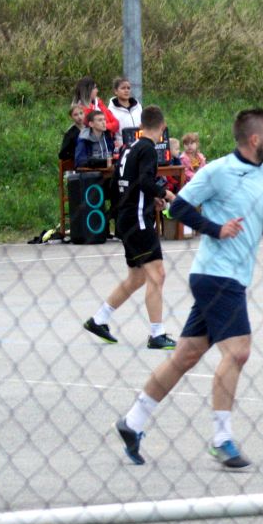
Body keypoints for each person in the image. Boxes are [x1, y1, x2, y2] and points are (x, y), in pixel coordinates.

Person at [113, 108, 263, 470]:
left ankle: (132, 421)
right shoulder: (218, 171)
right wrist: (216, 229)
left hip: (235, 276)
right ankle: (222, 439)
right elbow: (178, 208)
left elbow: (256, 226)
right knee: (238, 352)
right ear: (254, 139)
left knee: (185, 356)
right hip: (214, 274)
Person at [83, 105, 179, 349]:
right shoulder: (148, 149)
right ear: (163, 126)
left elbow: (119, 183)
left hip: (126, 217)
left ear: (141, 125)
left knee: (137, 277)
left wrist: (148, 200)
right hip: (137, 220)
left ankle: (99, 319)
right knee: (157, 274)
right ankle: (157, 334)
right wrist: (166, 194)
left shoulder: (129, 147)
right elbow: (146, 181)